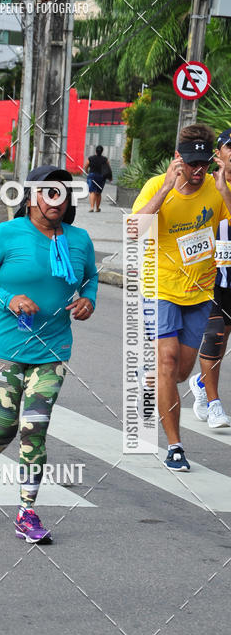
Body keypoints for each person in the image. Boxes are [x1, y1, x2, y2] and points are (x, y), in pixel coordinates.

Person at [0, 166, 97, 543]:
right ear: (30, 197)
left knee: (34, 428)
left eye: (62, 192)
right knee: (4, 426)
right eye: (47, 191)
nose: (55, 199)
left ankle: (27, 511)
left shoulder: (79, 239)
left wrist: (88, 299)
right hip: (5, 348)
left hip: (52, 349)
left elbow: (89, 278)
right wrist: (9, 298)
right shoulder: (8, 234)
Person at [132, 124, 231, 471]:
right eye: (191, 164)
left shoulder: (218, 190)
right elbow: (134, 230)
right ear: (177, 160)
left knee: (180, 370)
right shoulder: (156, 187)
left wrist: (225, 191)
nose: (198, 170)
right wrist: (164, 190)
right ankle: (175, 446)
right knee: (168, 360)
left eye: (204, 163)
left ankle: (162, 382)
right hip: (159, 289)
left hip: (200, 293)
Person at [188, 126, 231, 428]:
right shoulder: (202, 185)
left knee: (223, 340)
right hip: (213, 275)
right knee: (215, 338)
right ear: (218, 153)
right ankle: (214, 403)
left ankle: (201, 385)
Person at [84, 145, 112, 212]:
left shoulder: (90, 158)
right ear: (102, 151)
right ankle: (97, 208)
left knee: (92, 192)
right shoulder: (105, 159)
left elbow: (86, 166)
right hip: (101, 177)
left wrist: (87, 172)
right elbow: (109, 169)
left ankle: (91, 207)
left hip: (92, 176)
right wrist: (110, 177)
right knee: (98, 193)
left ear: (95, 151)